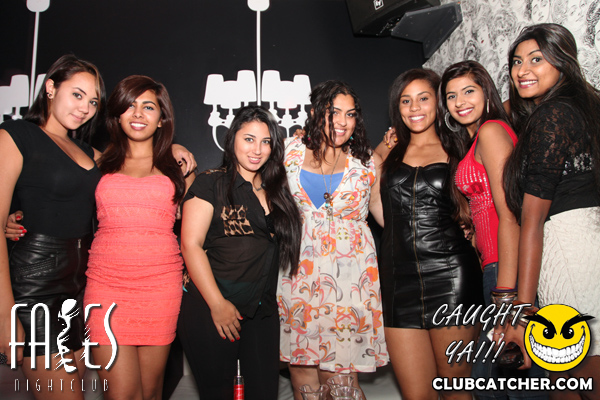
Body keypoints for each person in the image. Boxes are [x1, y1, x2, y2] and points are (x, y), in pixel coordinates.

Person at [0, 55, 194, 399]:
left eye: (92, 101)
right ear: (50, 88)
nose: (84, 107)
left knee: (146, 393)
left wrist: (172, 148)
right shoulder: (33, 140)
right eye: (77, 95)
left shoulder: (92, 155)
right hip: (66, 285)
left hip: (98, 286)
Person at [82, 75, 195, 399]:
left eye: (148, 107)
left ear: (161, 119)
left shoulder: (178, 168)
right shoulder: (96, 162)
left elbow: (198, 233)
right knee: (121, 394)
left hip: (160, 289)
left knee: (151, 392)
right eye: (130, 105)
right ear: (117, 115)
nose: (138, 114)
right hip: (105, 287)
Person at [177, 105, 302, 400]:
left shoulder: (278, 190)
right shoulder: (210, 183)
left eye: (265, 141)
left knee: (264, 392)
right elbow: (190, 244)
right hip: (211, 307)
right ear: (232, 138)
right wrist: (217, 304)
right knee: (218, 394)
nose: (257, 149)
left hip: (261, 310)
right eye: (248, 139)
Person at [440, 60, 547, 400]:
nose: (460, 102)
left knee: (516, 383)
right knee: (495, 384)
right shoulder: (475, 139)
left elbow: (510, 215)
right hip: (495, 267)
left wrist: (505, 295)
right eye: (451, 96)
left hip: (507, 270)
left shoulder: (491, 131)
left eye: (468, 91)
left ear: (486, 93)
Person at [503, 23, 600, 398]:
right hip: (583, 241)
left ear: (562, 62)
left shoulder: (552, 116)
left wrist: (521, 314)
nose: (522, 70)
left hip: (565, 248)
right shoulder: (582, 109)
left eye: (536, 59)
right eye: (516, 62)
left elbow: (532, 221)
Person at [278, 80, 388, 399]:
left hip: (349, 284)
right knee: (303, 378)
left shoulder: (367, 163)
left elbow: (385, 216)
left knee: (340, 383)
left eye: (350, 114)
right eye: (333, 112)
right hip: (297, 279)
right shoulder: (288, 151)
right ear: (314, 113)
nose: (342, 121)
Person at [378, 68, 482, 400]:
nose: (414, 108)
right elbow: (378, 205)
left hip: (451, 277)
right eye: (405, 101)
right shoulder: (390, 153)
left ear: (438, 102)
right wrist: (384, 145)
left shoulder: (461, 147)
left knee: (455, 389)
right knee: (416, 395)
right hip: (398, 283)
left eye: (423, 98)